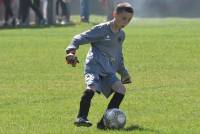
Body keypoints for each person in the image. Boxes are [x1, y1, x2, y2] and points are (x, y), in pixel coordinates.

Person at [65, 2, 134, 129]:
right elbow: (78, 38)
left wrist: (123, 72)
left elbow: (118, 55)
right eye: (124, 18)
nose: (126, 22)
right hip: (94, 67)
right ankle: (81, 117)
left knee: (121, 89)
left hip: (108, 70)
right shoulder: (102, 29)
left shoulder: (121, 35)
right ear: (115, 14)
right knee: (91, 87)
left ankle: (104, 123)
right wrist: (71, 52)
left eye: (129, 19)